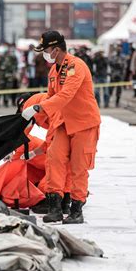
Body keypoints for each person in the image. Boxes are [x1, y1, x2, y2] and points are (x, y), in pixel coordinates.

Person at [26, 31, 101, 224]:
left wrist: (38, 107)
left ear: (56, 49)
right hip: (62, 123)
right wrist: (37, 114)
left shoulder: (76, 66)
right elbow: (52, 97)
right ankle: (55, 209)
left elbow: (66, 94)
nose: (44, 54)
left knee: (78, 167)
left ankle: (76, 211)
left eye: (45, 50)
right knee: (54, 160)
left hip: (83, 123)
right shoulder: (53, 72)